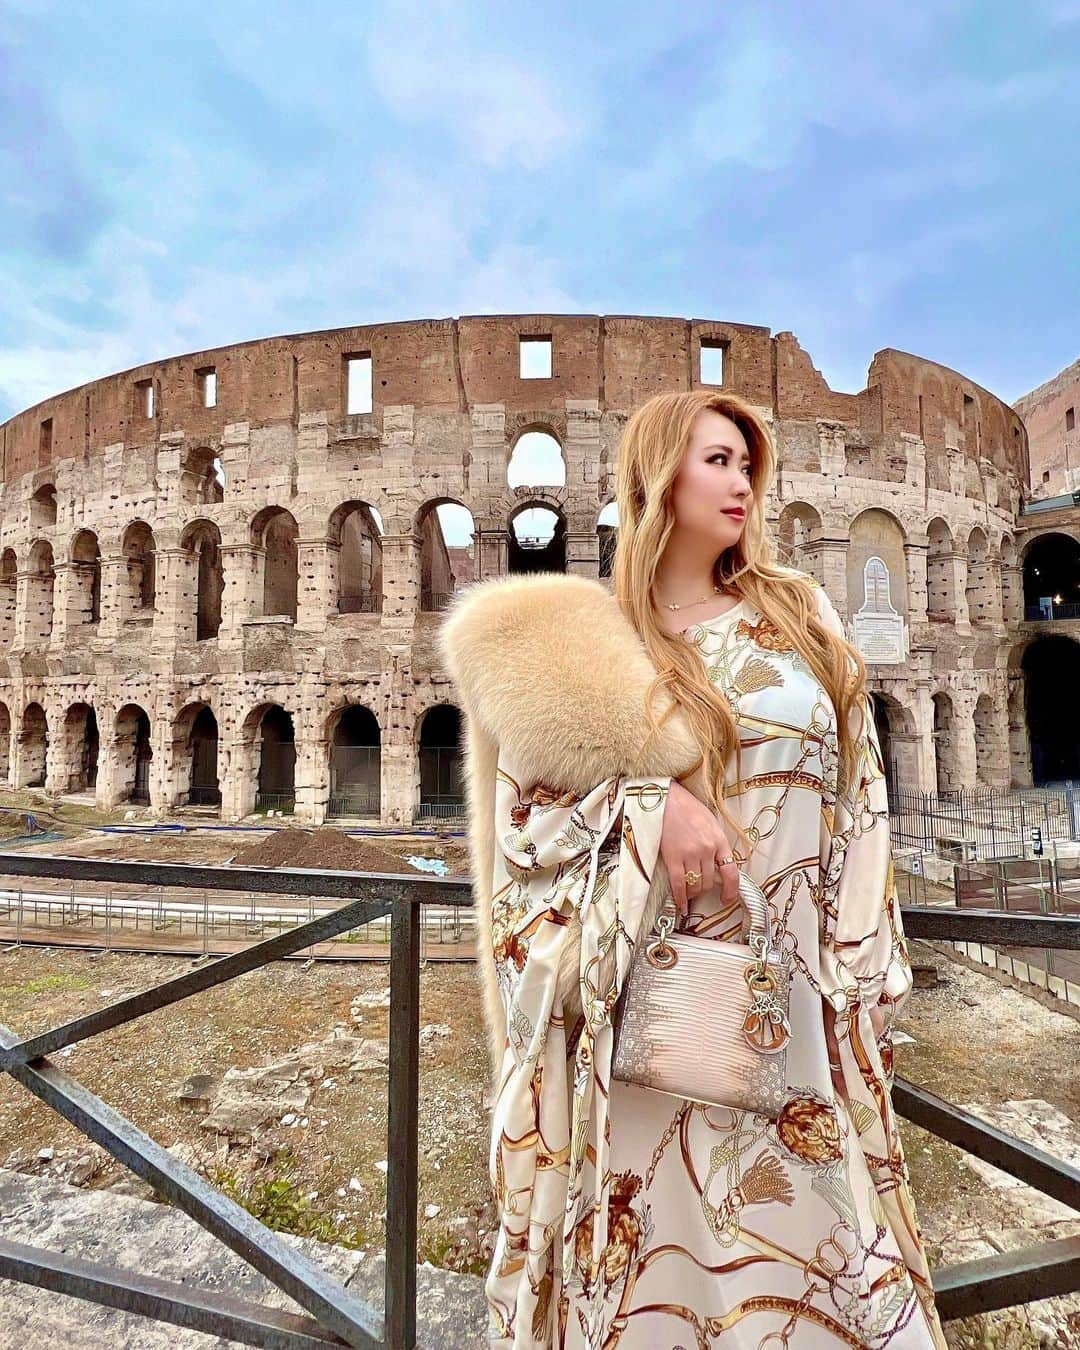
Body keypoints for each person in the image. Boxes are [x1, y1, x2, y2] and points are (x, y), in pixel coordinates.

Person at [440, 389, 947, 1349]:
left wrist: (867, 959)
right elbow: (527, 826)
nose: (742, 483)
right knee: (661, 1259)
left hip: (796, 987)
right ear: (658, 476)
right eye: (717, 460)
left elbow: (860, 785)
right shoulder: (597, 644)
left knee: (819, 1247)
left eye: (748, 465)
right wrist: (650, 803)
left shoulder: (798, 609)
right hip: (659, 1007)